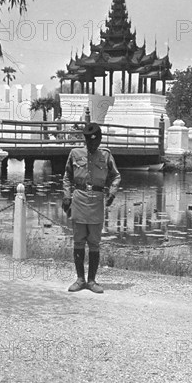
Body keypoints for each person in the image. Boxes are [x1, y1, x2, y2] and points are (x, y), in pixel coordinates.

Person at [62, 122, 121, 293]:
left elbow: (116, 176)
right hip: (79, 198)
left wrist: (112, 193)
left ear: (100, 139)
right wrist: (66, 196)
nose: (92, 145)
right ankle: (80, 279)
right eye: (89, 142)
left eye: (95, 142)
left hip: (97, 200)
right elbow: (67, 176)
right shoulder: (75, 154)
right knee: (79, 240)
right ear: (85, 141)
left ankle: (92, 280)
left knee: (94, 242)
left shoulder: (106, 155)